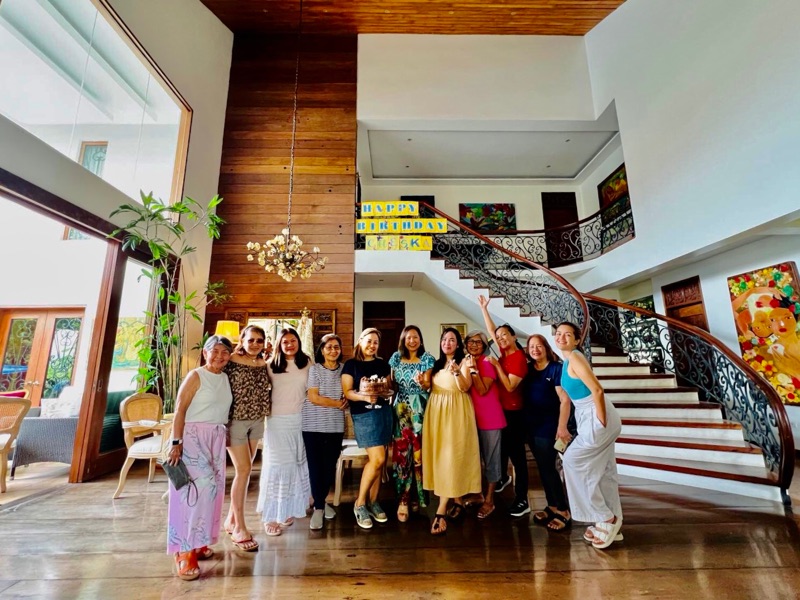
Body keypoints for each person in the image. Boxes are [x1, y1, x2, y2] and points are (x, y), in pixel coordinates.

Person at [166, 335, 234, 581]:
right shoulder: (195, 376)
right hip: (192, 437)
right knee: (196, 491)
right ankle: (184, 550)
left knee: (213, 491)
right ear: (205, 353)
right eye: (214, 351)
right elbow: (180, 410)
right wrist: (176, 443)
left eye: (225, 352)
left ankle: (199, 541)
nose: (219, 356)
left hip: (215, 438)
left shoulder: (224, 377)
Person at [554, 321, 623, 549]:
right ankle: (612, 521)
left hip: (596, 414)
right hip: (587, 414)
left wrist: (601, 420)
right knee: (604, 471)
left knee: (572, 461)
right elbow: (568, 399)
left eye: (568, 334)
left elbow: (597, 389)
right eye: (558, 333)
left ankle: (605, 517)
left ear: (577, 340)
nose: (561, 337)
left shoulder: (575, 357)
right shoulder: (567, 360)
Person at [422, 328, 481, 535]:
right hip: (436, 412)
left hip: (456, 412)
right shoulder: (436, 364)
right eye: (444, 339)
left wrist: (456, 372)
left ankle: (440, 510)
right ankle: (457, 501)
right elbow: (428, 386)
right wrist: (422, 383)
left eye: (452, 340)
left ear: (458, 344)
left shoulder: (465, 361)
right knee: (441, 457)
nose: (447, 343)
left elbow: (465, 387)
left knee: (451, 456)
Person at [256, 328, 312, 537]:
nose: (289, 345)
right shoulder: (270, 365)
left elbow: (314, 390)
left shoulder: (307, 363)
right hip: (277, 421)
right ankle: (271, 516)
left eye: (293, 340)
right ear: (279, 344)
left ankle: (287, 509)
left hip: (301, 420)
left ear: (298, 342)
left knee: (296, 464)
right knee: (277, 466)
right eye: (285, 342)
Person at [478, 295, 530, 518]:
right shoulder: (504, 353)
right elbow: (491, 330)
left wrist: (496, 366)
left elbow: (509, 386)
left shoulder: (518, 358)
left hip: (515, 413)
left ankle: (522, 499)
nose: (499, 339)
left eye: (504, 335)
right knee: (502, 450)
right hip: (502, 411)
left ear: (513, 336)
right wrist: (484, 309)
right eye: (498, 337)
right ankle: (503, 478)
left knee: (518, 457)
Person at [222, 325, 270, 552]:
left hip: (257, 420)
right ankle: (240, 527)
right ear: (242, 340)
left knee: (246, 470)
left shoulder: (263, 363)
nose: (255, 344)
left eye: (259, 340)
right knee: (243, 470)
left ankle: (231, 520)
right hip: (236, 421)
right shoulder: (230, 360)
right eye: (251, 340)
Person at [341, 328, 393, 529]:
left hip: (383, 413)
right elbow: (348, 392)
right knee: (378, 458)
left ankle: (374, 501)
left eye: (376, 342)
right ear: (360, 341)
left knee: (381, 460)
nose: (372, 345)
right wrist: (364, 397)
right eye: (369, 341)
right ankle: (360, 503)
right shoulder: (351, 365)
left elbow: (388, 389)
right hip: (364, 415)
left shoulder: (382, 364)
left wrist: (385, 392)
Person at [523, 334, 572, 531]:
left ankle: (563, 510)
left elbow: (565, 399)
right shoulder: (528, 369)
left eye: (539, 346)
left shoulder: (556, 368)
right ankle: (551, 505)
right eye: (531, 347)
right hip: (531, 425)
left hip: (549, 425)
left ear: (546, 348)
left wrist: (562, 426)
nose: (535, 350)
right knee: (542, 468)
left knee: (549, 468)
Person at [388, 325, 435, 522]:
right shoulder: (395, 358)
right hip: (401, 408)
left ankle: (416, 495)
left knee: (418, 454)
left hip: (420, 409)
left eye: (415, 337)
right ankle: (403, 499)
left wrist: (422, 382)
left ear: (420, 340)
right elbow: (392, 383)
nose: (412, 341)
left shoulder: (427, 359)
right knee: (402, 454)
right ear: (403, 340)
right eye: (408, 337)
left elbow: (428, 384)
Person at [303, 333, 347, 530]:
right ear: (321, 350)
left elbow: (348, 392)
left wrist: (347, 400)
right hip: (313, 425)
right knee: (316, 467)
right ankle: (319, 508)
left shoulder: (344, 370)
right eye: (329, 347)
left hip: (335, 426)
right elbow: (314, 397)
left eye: (336, 347)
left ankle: (321, 502)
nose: (333, 350)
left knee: (329, 467)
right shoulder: (315, 369)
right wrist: (339, 404)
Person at [464, 329, 506, 520]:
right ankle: (478, 494)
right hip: (472, 418)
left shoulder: (487, 363)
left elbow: (481, 390)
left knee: (491, 460)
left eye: (478, 342)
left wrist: (473, 370)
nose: (474, 345)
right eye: (470, 341)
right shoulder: (466, 361)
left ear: (484, 346)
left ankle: (489, 500)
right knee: (475, 459)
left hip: (490, 419)